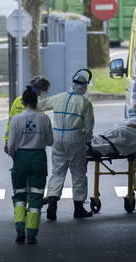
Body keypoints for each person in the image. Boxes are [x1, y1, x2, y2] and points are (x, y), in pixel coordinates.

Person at [40, 70, 95, 220]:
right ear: (84, 87)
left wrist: (38, 91)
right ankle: (78, 208)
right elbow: (89, 126)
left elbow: (41, 105)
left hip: (56, 137)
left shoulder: (59, 97)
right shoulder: (84, 103)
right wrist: (88, 141)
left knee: (57, 171)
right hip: (75, 138)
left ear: (72, 84)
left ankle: (52, 203)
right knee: (78, 173)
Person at [7, 86, 54, 244]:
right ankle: (32, 234)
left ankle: (20, 228)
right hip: (38, 156)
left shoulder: (16, 119)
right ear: (36, 102)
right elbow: (50, 142)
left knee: (19, 195)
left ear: (22, 101)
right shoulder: (44, 118)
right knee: (36, 196)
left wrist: (16, 157)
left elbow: (11, 144)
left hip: (21, 156)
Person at [4, 75, 51, 155]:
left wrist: (7, 142)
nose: (46, 93)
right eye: (44, 90)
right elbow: (40, 126)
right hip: (34, 146)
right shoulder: (38, 103)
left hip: (18, 144)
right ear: (37, 88)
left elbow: (10, 124)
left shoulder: (17, 100)